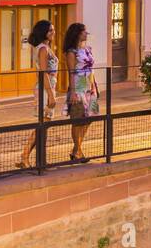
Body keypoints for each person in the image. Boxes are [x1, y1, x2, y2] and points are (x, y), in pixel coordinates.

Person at [18, 19, 57, 170]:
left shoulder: (45, 48)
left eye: (53, 30)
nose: (53, 32)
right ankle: (27, 157)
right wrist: (51, 94)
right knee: (43, 124)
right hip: (45, 89)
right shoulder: (43, 49)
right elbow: (44, 73)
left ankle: (28, 157)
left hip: (48, 87)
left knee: (44, 124)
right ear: (44, 33)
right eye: (50, 30)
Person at [63, 22, 100, 164]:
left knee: (90, 117)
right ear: (78, 33)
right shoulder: (71, 52)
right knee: (78, 119)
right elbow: (71, 72)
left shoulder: (87, 49)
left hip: (90, 86)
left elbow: (91, 68)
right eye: (84, 31)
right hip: (78, 85)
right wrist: (72, 91)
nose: (86, 34)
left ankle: (76, 149)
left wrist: (94, 86)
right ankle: (78, 151)